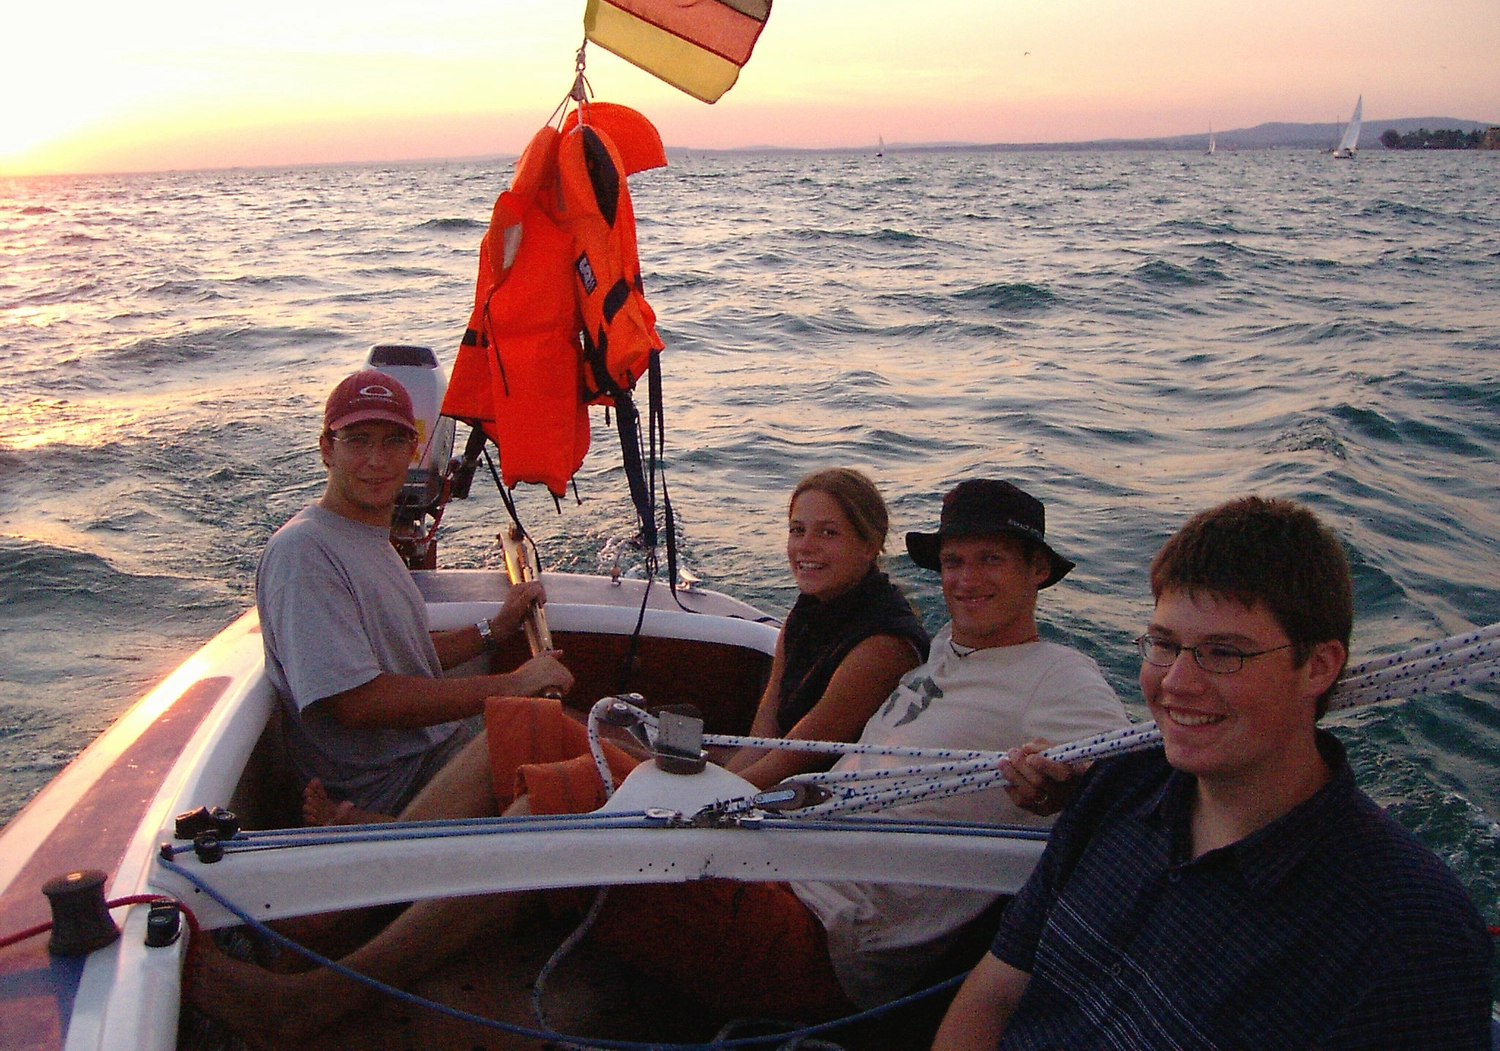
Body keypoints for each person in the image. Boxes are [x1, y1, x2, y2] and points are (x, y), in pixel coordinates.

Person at [191, 477, 1129, 1041]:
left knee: (566, 805)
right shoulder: (948, 654)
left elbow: (1127, 775)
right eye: (955, 562)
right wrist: (686, 767)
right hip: (772, 848)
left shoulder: (1063, 681)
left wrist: (1059, 781)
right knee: (533, 733)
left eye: (991, 562)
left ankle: (304, 1005)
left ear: (1038, 570)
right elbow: (793, 748)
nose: (965, 580)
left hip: (820, 930)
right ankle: (346, 904)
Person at [933, 496, 1494, 1051]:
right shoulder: (1116, 789)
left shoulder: (1407, 938)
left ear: (1318, 667)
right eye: (1164, 644)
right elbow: (998, 994)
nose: (1176, 683)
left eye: (1223, 653)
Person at [257, 369, 572, 818]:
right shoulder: (304, 553)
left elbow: (401, 654)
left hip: (431, 752)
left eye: (392, 442)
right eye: (358, 440)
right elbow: (357, 702)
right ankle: (366, 828)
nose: (376, 460)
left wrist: (493, 630)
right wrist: (513, 686)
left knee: (583, 738)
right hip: (392, 786)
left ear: (415, 451)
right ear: (327, 448)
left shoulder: (367, 538)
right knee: (571, 761)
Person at [723, 467, 931, 788]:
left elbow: (788, 761)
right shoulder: (806, 613)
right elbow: (763, 741)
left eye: (828, 533)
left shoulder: (883, 647)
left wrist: (700, 803)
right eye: (797, 530)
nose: (805, 546)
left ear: (870, 544)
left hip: (823, 810)